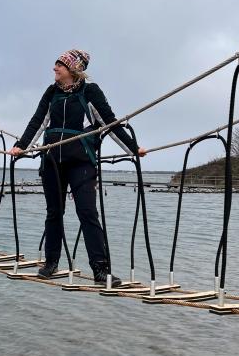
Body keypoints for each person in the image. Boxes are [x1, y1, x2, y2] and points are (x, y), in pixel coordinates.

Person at [8, 49, 146, 286]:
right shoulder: (51, 93)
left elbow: (109, 122)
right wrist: (21, 146)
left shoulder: (90, 91)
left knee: (87, 213)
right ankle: (51, 262)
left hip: (81, 162)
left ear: (73, 69)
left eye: (59, 65)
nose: (54, 68)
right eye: (55, 64)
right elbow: (38, 121)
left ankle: (100, 270)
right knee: (54, 213)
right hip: (52, 161)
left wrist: (132, 149)